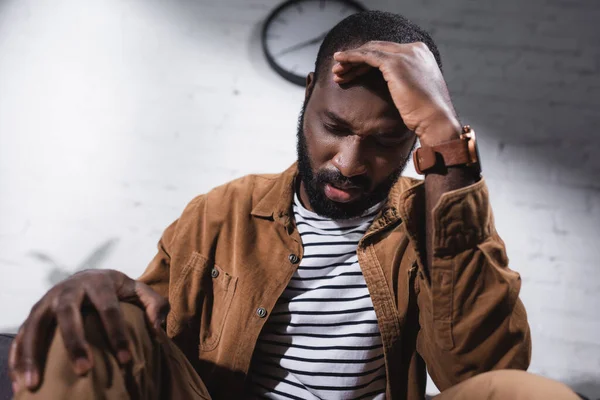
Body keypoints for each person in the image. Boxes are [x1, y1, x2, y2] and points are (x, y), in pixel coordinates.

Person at [8, 10, 580, 400]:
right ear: (308, 93)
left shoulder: (437, 222)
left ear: (415, 142)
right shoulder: (220, 214)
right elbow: (142, 337)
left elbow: (479, 373)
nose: (350, 163)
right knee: (82, 320)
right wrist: (95, 285)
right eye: (333, 127)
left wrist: (450, 144)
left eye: (385, 142)